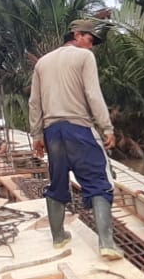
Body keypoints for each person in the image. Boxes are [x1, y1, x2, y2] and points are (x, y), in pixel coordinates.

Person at [29, 19, 123, 260]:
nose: (91, 47)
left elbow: (35, 102)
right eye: (89, 40)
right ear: (77, 35)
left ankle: (59, 237)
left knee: (58, 182)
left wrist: (37, 135)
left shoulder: (42, 62)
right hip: (78, 128)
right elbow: (93, 93)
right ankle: (106, 243)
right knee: (99, 181)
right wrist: (107, 127)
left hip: (52, 132)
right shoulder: (84, 58)